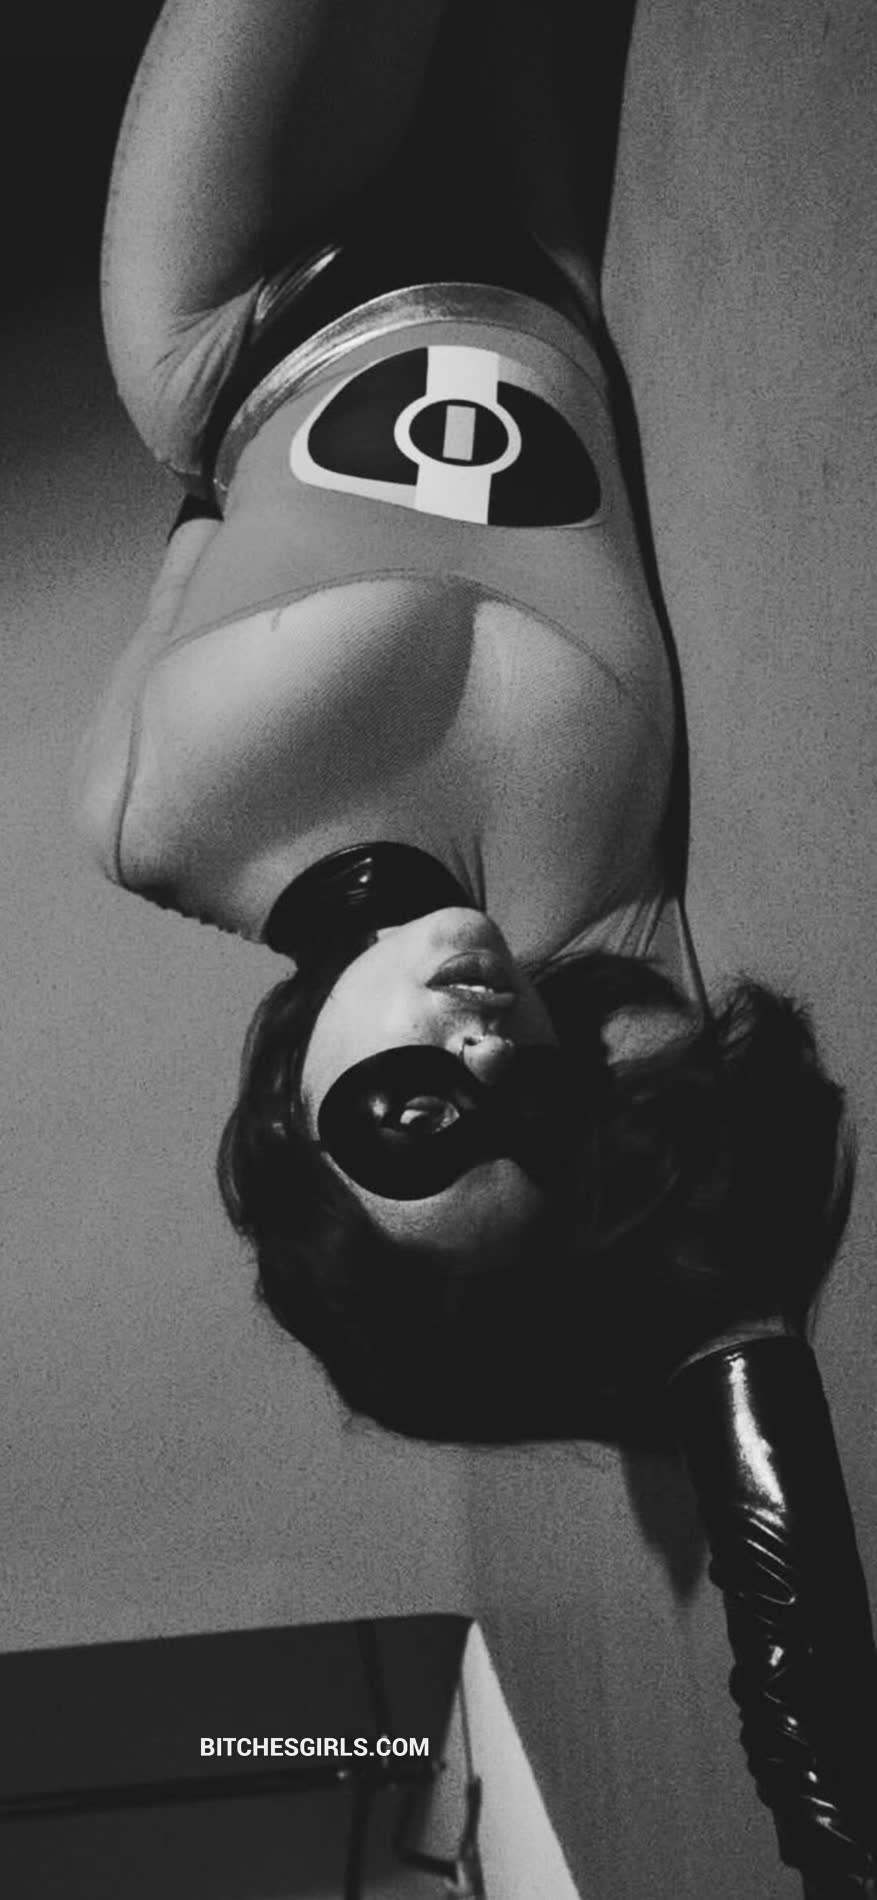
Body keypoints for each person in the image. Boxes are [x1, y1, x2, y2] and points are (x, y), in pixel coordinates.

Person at [76, 0, 853, 1443]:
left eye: (426, 1115)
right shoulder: (597, 912)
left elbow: (198, 523)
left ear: (291, 1123)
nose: (490, 1051)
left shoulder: (154, 823)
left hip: (251, 301)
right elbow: (708, 1285)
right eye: (532, 1114)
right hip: (524, 240)